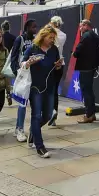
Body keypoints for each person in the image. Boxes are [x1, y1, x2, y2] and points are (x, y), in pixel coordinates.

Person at [22, 24, 63, 158]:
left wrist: (58, 66)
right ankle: (40, 146)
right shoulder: (32, 48)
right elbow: (22, 63)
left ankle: (34, 131)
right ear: (43, 36)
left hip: (50, 86)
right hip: (35, 87)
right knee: (36, 115)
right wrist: (28, 63)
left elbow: (57, 66)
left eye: (53, 38)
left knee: (47, 115)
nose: (52, 40)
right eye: (50, 37)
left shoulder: (54, 49)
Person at [10, 19, 37, 142]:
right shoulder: (19, 39)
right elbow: (14, 57)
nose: (35, 29)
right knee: (22, 103)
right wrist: (17, 72)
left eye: (36, 27)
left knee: (30, 103)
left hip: (34, 75)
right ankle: (20, 129)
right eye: (33, 27)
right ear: (27, 28)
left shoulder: (36, 39)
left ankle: (18, 128)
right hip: (23, 73)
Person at [73, 19, 99, 123]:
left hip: (85, 67)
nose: (80, 29)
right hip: (92, 66)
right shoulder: (95, 36)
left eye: (81, 27)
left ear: (86, 25)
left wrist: (74, 53)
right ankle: (92, 113)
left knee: (86, 91)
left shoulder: (85, 36)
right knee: (89, 90)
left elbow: (78, 51)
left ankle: (88, 115)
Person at [47, 17, 68, 126]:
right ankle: (53, 116)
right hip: (60, 64)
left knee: (49, 90)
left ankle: (50, 113)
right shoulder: (63, 35)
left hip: (51, 64)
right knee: (54, 91)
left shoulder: (50, 35)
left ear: (53, 23)